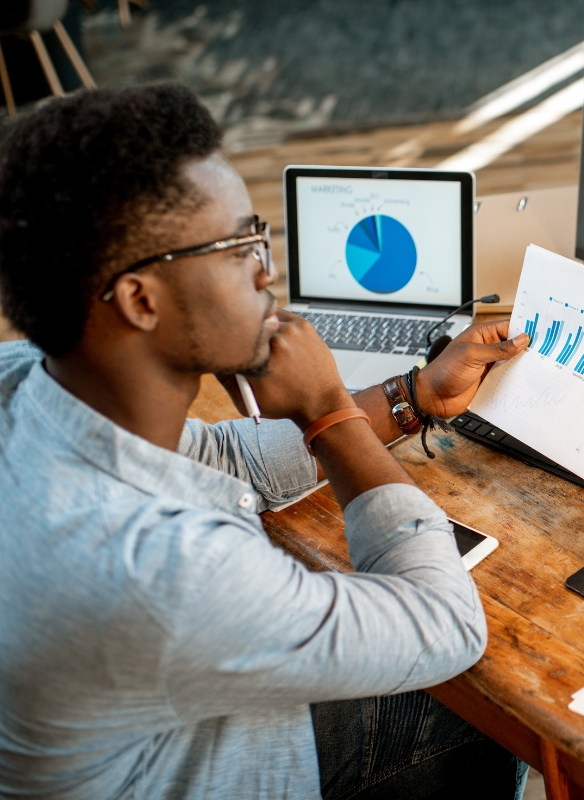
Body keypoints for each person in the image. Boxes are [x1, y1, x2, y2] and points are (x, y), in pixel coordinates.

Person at [0, 85, 531, 799]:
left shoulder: (26, 382)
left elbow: (223, 459)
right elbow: (444, 625)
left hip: (153, 724)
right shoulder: (158, 565)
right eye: (239, 245)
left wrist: (413, 397)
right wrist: (328, 408)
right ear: (139, 300)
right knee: (500, 703)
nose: (266, 271)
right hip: (229, 765)